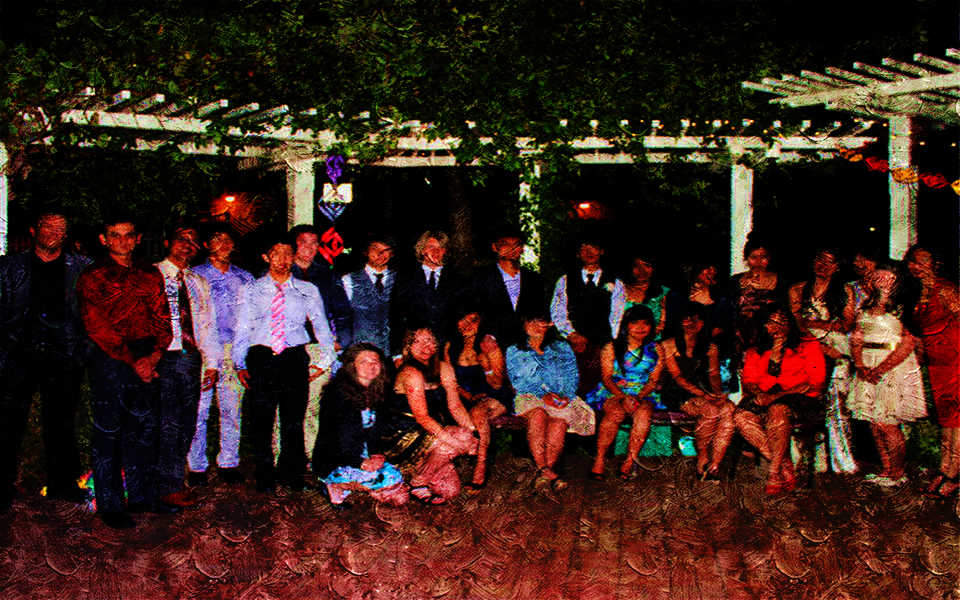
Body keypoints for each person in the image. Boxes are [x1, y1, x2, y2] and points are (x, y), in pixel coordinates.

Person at [77, 214, 173, 528]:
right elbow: (97, 326)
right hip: (110, 357)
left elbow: (162, 318)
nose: (122, 241)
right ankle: (110, 505)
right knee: (109, 432)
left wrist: (155, 356)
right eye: (115, 235)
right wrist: (135, 363)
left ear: (137, 238)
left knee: (145, 431)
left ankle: (142, 497)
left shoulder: (149, 273)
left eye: (128, 234)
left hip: (147, 355)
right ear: (103, 239)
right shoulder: (93, 275)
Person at [0, 210, 92, 511]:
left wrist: (81, 352)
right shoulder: (9, 267)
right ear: (33, 230)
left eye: (61, 229)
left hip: (63, 356)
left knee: (61, 424)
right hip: (19, 354)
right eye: (48, 226)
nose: (54, 233)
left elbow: (91, 314)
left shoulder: (82, 267)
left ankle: (62, 487)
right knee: (8, 424)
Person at [233, 235, 335, 493]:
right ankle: (264, 474)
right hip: (262, 357)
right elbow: (243, 326)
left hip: (293, 357)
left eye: (288, 254)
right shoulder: (252, 289)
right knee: (262, 419)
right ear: (266, 257)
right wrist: (239, 362)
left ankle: (292, 472)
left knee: (293, 419)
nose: (282, 260)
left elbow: (321, 325)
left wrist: (325, 360)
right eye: (276, 253)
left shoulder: (307, 289)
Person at [152, 225, 220, 508]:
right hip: (161, 358)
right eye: (182, 239)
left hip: (191, 358)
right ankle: (165, 486)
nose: (187, 245)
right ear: (168, 242)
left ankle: (174, 480)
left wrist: (212, 362)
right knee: (165, 423)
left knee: (186, 423)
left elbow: (208, 323)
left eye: (193, 242)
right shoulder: (152, 275)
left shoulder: (197, 281)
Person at [848, 263, 926, 487]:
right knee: (874, 422)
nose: (881, 280)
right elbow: (857, 336)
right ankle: (886, 469)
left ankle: (898, 473)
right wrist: (860, 365)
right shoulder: (866, 304)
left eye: (887, 277)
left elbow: (908, 343)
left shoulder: (903, 306)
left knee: (887, 423)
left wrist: (880, 369)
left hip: (893, 366)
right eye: (878, 276)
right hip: (867, 363)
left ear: (897, 280)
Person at [187, 226, 253, 486]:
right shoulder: (194, 276)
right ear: (206, 245)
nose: (224, 244)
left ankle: (229, 462)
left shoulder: (245, 278)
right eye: (217, 239)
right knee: (199, 410)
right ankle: (196, 465)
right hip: (203, 350)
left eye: (228, 240)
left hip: (235, 350)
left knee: (231, 409)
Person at [734, 309, 826, 496]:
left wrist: (774, 397)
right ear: (763, 326)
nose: (777, 328)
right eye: (771, 322)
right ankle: (785, 465)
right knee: (741, 417)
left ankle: (774, 473)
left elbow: (815, 381)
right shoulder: (755, 350)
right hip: (767, 395)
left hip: (801, 398)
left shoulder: (807, 345)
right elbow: (750, 381)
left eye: (782, 322)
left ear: (790, 324)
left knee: (777, 410)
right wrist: (760, 391)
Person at [507, 309, 595, 492]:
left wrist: (565, 394)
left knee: (559, 422)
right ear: (523, 324)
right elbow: (518, 381)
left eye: (541, 321)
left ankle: (544, 476)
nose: (536, 326)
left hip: (559, 396)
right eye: (531, 321)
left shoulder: (561, 347)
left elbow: (572, 375)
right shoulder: (514, 350)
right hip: (529, 396)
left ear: (550, 324)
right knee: (538, 415)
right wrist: (543, 395)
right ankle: (544, 469)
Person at [788, 248, 857, 474]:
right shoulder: (798, 289)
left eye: (830, 262)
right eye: (820, 259)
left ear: (837, 267)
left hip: (835, 349)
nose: (823, 266)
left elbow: (846, 324)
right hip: (806, 348)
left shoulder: (844, 290)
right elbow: (795, 322)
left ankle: (841, 462)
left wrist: (813, 325)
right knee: (804, 403)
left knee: (837, 405)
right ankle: (806, 460)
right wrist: (817, 335)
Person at [312, 344, 409, 506]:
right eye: (364, 362)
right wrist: (361, 463)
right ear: (352, 366)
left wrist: (376, 453)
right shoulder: (338, 394)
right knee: (393, 485)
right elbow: (339, 440)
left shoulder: (377, 391)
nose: (371, 366)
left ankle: (370, 489)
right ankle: (333, 484)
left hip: (362, 453)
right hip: (337, 459)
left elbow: (376, 431)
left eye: (375, 362)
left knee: (397, 482)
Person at [391, 328, 478, 504]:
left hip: (431, 432)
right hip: (405, 435)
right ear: (408, 347)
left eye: (430, 340)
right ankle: (417, 481)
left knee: (450, 491)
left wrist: (473, 432)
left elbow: (455, 405)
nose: (425, 346)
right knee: (460, 438)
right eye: (417, 341)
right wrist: (458, 443)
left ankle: (424, 468)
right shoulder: (410, 373)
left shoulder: (444, 368)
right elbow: (422, 417)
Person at [289, 224, 349, 462]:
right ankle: (282, 458)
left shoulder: (327, 275)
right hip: (287, 348)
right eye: (304, 242)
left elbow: (342, 311)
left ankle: (312, 458)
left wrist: (339, 340)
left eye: (315, 243)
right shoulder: (280, 272)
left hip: (318, 348)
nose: (310, 247)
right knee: (286, 406)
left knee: (313, 406)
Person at [904, 244, 960, 497]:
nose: (915, 266)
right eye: (912, 261)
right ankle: (945, 467)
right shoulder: (918, 293)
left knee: (957, 419)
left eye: (921, 261)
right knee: (947, 419)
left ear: (936, 263)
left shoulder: (946, 289)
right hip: (938, 364)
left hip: (956, 360)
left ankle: (953, 475)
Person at [587, 305, 664, 481]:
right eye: (635, 323)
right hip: (613, 391)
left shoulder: (656, 349)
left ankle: (629, 461)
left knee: (644, 414)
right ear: (626, 325)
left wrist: (638, 397)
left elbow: (653, 381)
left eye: (646, 323)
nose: (640, 328)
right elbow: (606, 378)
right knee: (616, 413)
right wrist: (622, 397)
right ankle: (599, 459)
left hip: (643, 392)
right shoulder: (612, 347)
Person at [660, 306, 735, 480]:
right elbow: (677, 377)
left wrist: (718, 394)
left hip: (705, 391)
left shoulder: (710, 346)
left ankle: (715, 464)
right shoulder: (668, 344)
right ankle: (703, 456)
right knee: (711, 410)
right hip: (678, 392)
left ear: (704, 323)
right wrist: (703, 395)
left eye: (697, 319)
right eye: (687, 319)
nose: (692, 323)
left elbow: (714, 374)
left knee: (728, 409)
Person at [444, 306, 510, 489]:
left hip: (493, 396)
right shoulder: (451, 347)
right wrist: (467, 396)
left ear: (481, 322)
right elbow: (451, 382)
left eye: (473, 320)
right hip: (464, 397)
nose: (467, 325)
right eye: (463, 320)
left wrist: (486, 367)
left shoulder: (488, 345)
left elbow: (498, 384)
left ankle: (481, 466)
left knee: (478, 414)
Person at [550, 236, 624, 395]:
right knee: (572, 387)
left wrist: (606, 342)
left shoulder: (615, 282)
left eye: (593, 247)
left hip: (602, 344)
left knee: (600, 387)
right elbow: (557, 312)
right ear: (578, 254)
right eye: (584, 248)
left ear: (601, 251)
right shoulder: (565, 280)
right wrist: (571, 334)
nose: (589, 252)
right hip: (573, 342)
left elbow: (617, 316)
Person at [472, 227, 546, 350]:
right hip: (491, 343)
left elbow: (539, 312)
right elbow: (475, 313)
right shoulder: (481, 277)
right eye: (505, 244)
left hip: (527, 342)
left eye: (516, 245)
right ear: (495, 247)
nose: (511, 249)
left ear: (522, 249)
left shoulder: (534, 279)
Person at [392, 231, 465, 353]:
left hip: (448, 348)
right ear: (422, 250)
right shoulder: (405, 278)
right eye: (431, 247)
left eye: (441, 247)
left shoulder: (458, 279)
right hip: (415, 347)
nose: (436, 251)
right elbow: (396, 316)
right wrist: (397, 353)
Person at [342, 234, 396, 355]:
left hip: (392, 352)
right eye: (375, 248)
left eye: (386, 250)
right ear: (366, 252)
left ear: (392, 254)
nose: (380, 254)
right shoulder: (348, 280)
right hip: (359, 349)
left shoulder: (400, 280)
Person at [610, 251, 670, 340]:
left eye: (647, 266)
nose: (642, 271)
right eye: (636, 266)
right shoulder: (616, 289)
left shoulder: (665, 293)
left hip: (654, 345)